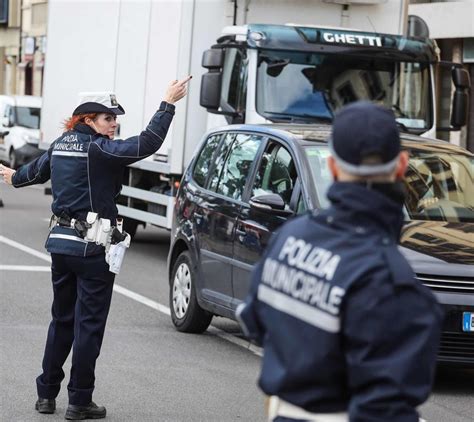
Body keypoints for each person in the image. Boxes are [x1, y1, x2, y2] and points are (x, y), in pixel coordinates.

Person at [236, 101, 443, 422]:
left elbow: (254, 321)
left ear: (332, 167)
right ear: (402, 166)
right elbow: (386, 409)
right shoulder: (391, 279)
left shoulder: (291, 238)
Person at [0, 77, 190, 420]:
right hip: (93, 250)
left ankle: (46, 395)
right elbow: (147, 143)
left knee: (61, 320)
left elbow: (31, 174)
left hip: (61, 246)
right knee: (87, 325)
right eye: (108, 118)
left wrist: (12, 177)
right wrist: (167, 104)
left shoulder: (60, 144)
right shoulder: (98, 148)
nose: (114, 124)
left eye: (115, 118)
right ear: (88, 119)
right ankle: (79, 401)